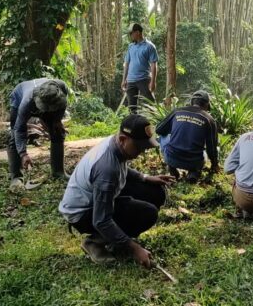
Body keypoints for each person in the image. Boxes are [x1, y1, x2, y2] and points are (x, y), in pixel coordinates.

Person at [59, 114, 174, 266]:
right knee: (148, 213)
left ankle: (117, 237)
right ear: (122, 139)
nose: (142, 152)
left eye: (144, 147)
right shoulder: (107, 170)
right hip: (83, 213)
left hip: (98, 195)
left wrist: (145, 177)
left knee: (155, 192)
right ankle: (94, 242)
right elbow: (101, 220)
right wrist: (134, 249)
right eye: (139, 147)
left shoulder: (115, 144)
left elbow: (123, 168)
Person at [8, 78, 69, 191]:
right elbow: (19, 130)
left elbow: (63, 105)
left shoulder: (62, 86)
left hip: (49, 101)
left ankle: (58, 172)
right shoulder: (26, 103)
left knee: (57, 132)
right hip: (19, 96)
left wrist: (57, 120)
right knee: (14, 135)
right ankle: (16, 177)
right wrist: (23, 154)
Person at [156, 90, 219, 183]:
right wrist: (214, 165)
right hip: (194, 162)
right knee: (204, 153)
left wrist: (175, 127)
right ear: (206, 105)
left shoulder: (177, 111)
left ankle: (172, 169)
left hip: (172, 157)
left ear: (191, 102)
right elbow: (212, 148)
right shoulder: (209, 119)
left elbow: (159, 130)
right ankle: (193, 172)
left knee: (163, 137)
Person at [122, 23, 158, 113]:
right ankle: (134, 126)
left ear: (137, 32)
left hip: (144, 79)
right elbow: (127, 64)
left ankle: (157, 122)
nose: (130, 36)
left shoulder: (150, 46)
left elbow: (154, 65)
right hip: (131, 81)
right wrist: (124, 79)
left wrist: (153, 82)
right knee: (132, 107)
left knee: (151, 104)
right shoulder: (130, 47)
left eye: (131, 33)